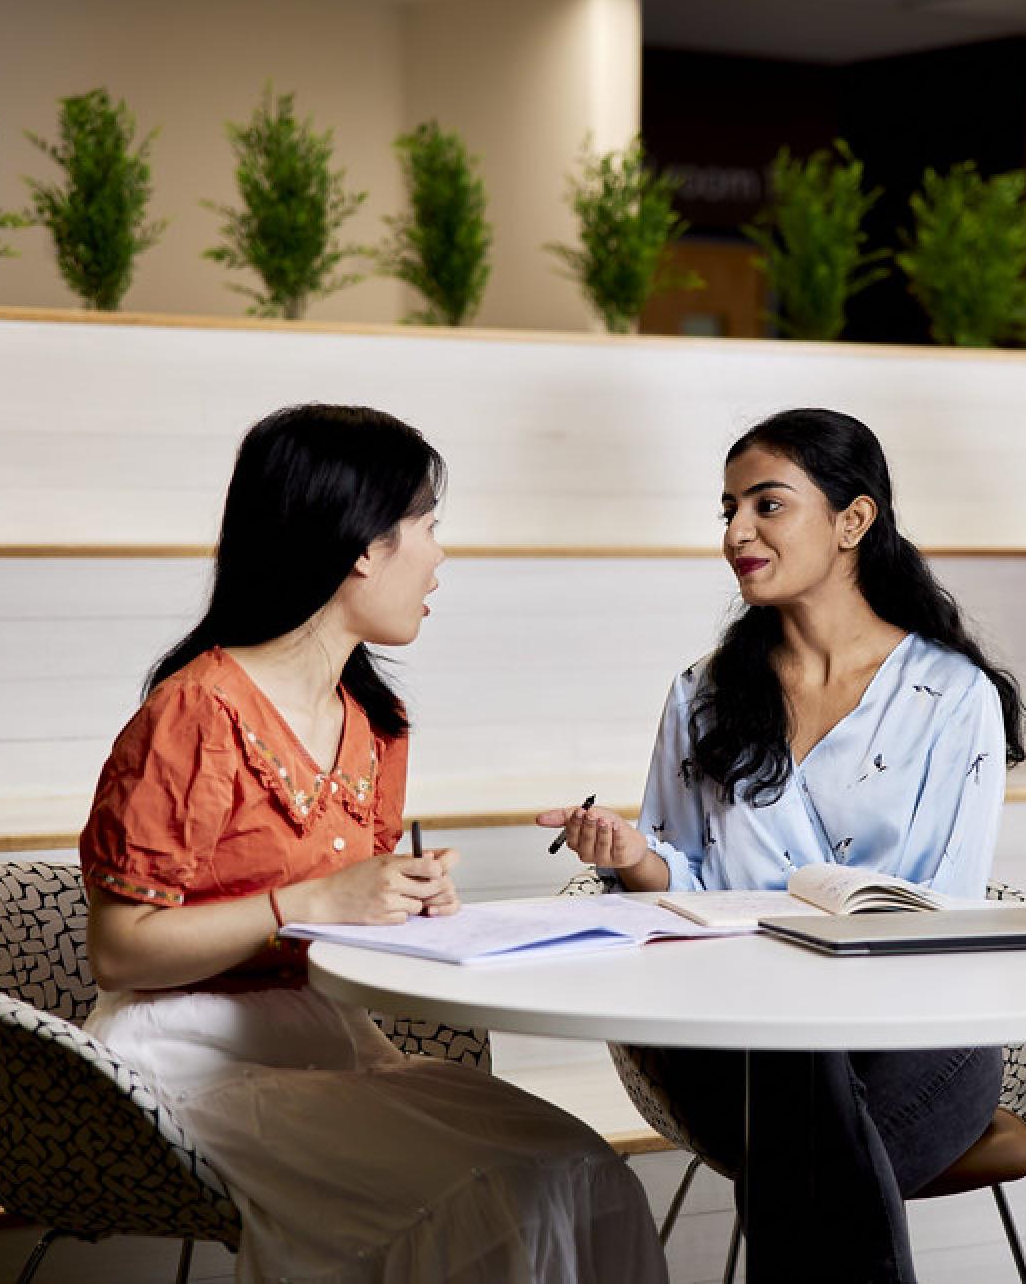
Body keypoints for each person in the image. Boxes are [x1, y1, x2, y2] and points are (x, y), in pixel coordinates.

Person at [78, 404, 667, 1284]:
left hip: (327, 1038)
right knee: (478, 1195)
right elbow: (119, 952)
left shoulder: (374, 724)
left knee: (584, 1170)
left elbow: (345, 915)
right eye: (427, 527)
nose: (439, 556)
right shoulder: (195, 715)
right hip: (186, 1060)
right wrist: (309, 904)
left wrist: (399, 903)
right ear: (363, 545)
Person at [540, 407, 1026, 1282]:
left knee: (799, 1141)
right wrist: (630, 858)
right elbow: (678, 883)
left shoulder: (952, 697)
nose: (736, 532)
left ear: (853, 521)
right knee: (799, 1096)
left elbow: (948, 905)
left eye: (768, 506)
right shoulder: (702, 694)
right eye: (728, 509)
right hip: (732, 1031)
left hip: (915, 1032)